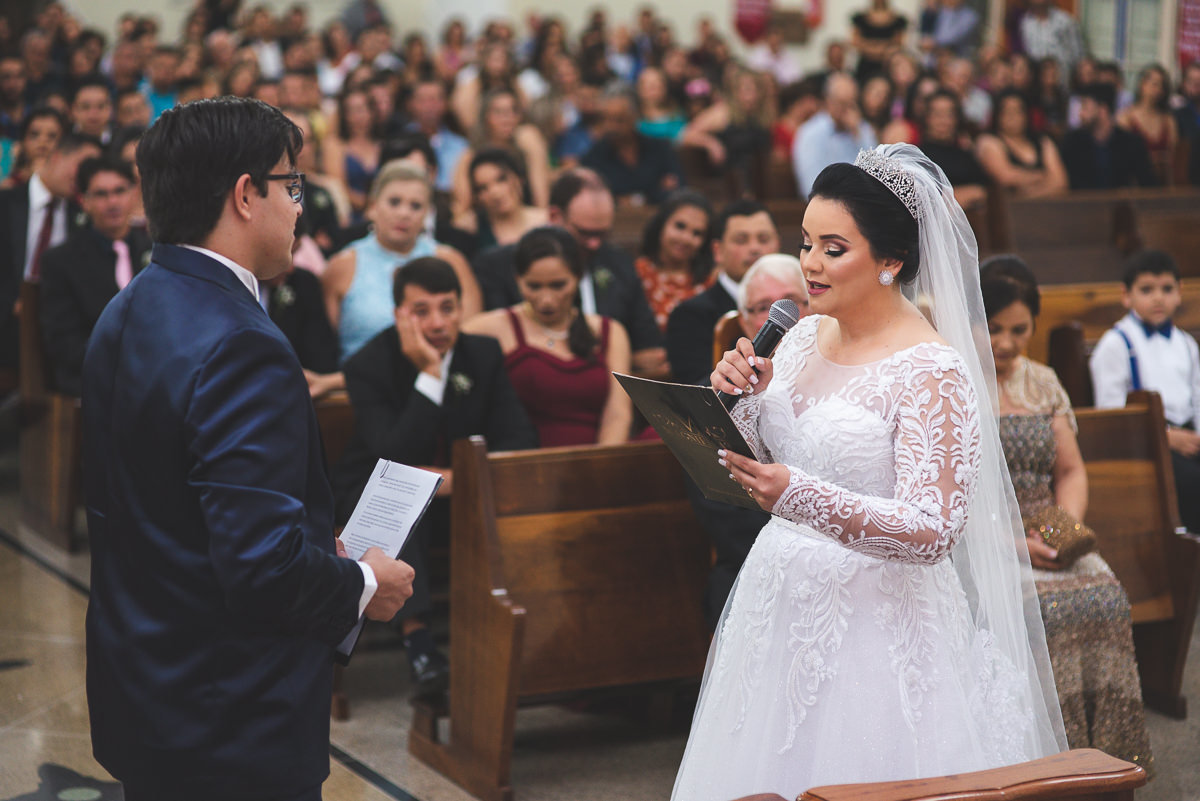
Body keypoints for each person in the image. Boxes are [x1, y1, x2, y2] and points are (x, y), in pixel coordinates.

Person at [673, 144, 1065, 799]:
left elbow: (935, 530)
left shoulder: (931, 371)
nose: (809, 264)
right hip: (780, 600)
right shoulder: (799, 337)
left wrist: (799, 495)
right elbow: (764, 461)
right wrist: (736, 406)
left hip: (877, 624)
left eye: (833, 247)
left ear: (890, 261)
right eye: (805, 243)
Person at [82, 96, 416, 801]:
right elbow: (260, 568)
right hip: (228, 712)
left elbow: (159, 504)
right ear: (245, 194)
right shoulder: (242, 344)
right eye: (292, 186)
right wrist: (363, 585)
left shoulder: (132, 302)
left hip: (144, 681)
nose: (300, 207)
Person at [334, 256, 537, 693]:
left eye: (448, 307)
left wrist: (451, 480)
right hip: (375, 491)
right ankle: (419, 642)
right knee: (404, 509)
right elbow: (392, 454)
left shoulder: (481, 354)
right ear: (398, 315)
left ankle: (516, 638)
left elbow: (519, 438)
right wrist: (428, 374)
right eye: (421, 311)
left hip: (459, 490)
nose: (438, 322)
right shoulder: (368, 364)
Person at [981, 255, 1153, 771]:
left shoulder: (1043, 380)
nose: (1007, 344)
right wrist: (1016, 545)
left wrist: (1064, 531)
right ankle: (1043, 757)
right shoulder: (953, 380)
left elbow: (1071, 470)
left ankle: (1107, 754)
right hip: (983, 537)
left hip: (1048, 530)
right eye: (992, 329)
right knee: (1046, 612)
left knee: (1104, 595)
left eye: (1019, 330)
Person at [471, 168, 664, 376]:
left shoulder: (620, 265)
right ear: (555, 216)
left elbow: (651, 353)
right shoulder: (500, 264)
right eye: (585, 233)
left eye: (603, 234)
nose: (594, 244)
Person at [463, 226, 633, 446]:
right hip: (521, 463)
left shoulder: (610, 332)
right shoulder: (491, 327)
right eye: (534, 286)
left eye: (558, 285)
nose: (546, 300)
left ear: (579, 276)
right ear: (517, 279)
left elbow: (618, 414)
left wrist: (601, 466)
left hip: (596, 463)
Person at [323, 161, 481, 364]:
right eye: (394, 202)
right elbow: (325, 345)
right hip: (355, 389)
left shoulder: (452, 261)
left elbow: (468, 338)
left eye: (416, 206)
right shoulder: (341, 266)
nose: (404, 213)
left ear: (427, 214)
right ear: (373, 207)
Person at [1089, 250, 1200, 534]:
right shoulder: (1117, 344)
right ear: (1126, 296)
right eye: (1147, 290)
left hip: (1189, 437)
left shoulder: (1186, 343)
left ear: (1179, 293)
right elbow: (1111, 414)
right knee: (1190, 481)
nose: (1158, 298)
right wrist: (1165, 437)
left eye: (1167, 289)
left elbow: (1197, 397)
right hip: (1148, 442)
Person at [38, 156, 150, 396]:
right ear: (84, 201)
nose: (112, 202)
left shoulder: (155, 251)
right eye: (101, 194)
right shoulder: (61, 262)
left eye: (120, 191)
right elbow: (64, 345)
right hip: (93, 384)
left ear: (134, 194)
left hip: (154, 380)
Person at [665, 199, 779, 385]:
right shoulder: (690, 316)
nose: (755, 248)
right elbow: (694, 393)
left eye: (764, 239)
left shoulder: (799, 304)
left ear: (778, 244)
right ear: (717, 251)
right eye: (741, 240)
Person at [582, 88, 682, 205]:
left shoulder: (660, 148)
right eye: (605, 119)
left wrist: (633, 199)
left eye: (619, 120)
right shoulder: (594, 156)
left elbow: (677, 187)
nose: (611, 127)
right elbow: (593, 198)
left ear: (635, 117)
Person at [635, 190, 714, 334]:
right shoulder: (636, 273)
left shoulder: (710, 282)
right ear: (661, 224)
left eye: (697, 233)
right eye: (680, 226)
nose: (686, 238)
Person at [793, 72, 877, 198]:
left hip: (862, 203)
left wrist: (858, 136)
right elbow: (810, 185)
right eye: (842, 103)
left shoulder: (863, 130)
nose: (847, 110)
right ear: (828, 102)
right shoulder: (810, 133)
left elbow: (876, 175)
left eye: (852, 104)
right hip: (825, 205)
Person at [1061, 83, 1157, 190]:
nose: (1080, 113)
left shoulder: (1131, 144)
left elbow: (1147, 184)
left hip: (1120, 205)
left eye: (1085, 106)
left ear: (1103, 110)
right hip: (1083, 205)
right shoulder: (1072, 143)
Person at [975, 89, 1068, 198]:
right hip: (1005, 209)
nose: (1012, 117)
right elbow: (1006, 177)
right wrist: (1043, 176)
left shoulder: (1043, 141)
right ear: (997, 115)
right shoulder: (988, 141)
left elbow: (1060, 182)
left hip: (1047, 206)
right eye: (1007, 111)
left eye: (1018, 111)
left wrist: (1031, 193)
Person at [454, 147, 547, 252]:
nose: (495, 193)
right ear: (477, 197)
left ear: (519, 178)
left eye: (501, 179)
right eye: (483, 188)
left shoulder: (545, 221)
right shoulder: (471, 227)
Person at [918, 89, 989, 210]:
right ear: (927, 118)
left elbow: (983, 191)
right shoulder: (918, 157)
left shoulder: (966, 155)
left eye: (949, 115)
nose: (943, 121)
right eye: (937, 114)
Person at [1116, 64, 1178, 186]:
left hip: (1162, 184)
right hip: (1134, 184)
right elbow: (1121, 157)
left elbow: (1174, 156)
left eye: (1162, 86)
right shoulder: (1125, 118)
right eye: (1154, 84)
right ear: (1142, 84)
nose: (1158, 90)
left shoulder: (1169, 120)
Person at [850, 0, 908, 83]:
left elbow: (899, 44)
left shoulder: (898, 20)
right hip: (865, 66)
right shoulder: (860, 18)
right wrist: (880, 48)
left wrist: (873, 47)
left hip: (888, 64)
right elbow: (855, 42)